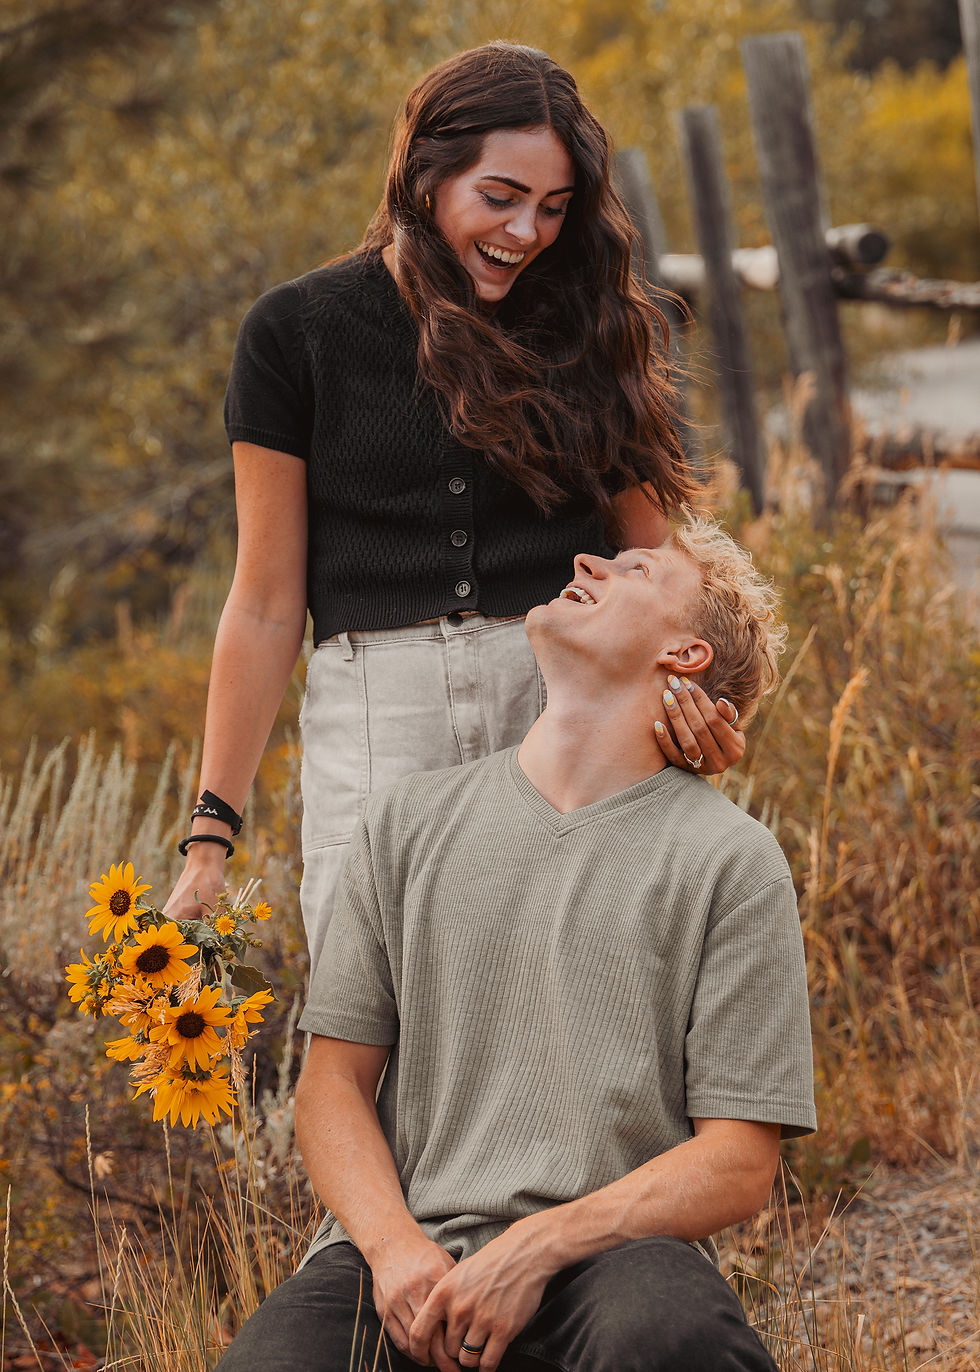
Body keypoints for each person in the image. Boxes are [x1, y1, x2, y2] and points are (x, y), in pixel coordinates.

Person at [162, 42, 747, 972]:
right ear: (426, 175)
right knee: (372, 1020)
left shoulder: (586, 327)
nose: (528, 232)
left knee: (563, 1012)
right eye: (501, 196)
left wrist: (702, 704)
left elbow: (661, 563)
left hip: (558, 707)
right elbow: (267, 602)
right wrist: (210, 838)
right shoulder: (294, 334)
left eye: (555, 208)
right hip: (376, 724)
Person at [215, 515, 817, 1372]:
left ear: (684, 655)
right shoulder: (407, 824)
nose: (586, 561)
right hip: (407, 1258)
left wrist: (539, 1247)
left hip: (614, 1260)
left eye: (636, 569)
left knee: (671, 1338)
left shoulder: (731, 860)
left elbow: (738, 1163)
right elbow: (330, 1089)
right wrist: (392, 1251)